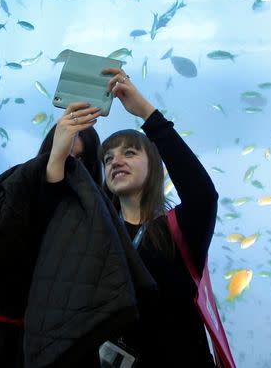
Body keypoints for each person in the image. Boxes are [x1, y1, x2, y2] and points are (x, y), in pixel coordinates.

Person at [0, 86, 158, 367]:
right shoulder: (17, 193)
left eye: (79, 160)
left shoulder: (101, 225)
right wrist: (53, 165)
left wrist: (146, 112)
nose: (70, 168)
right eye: (63, 153)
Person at [95, 68, 220, 366]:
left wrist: (146, 113)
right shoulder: (98, 236)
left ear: (153, 166)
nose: (116, 161)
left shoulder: (178, 229)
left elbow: (203, 194)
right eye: (108, 158)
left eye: (129, 153)